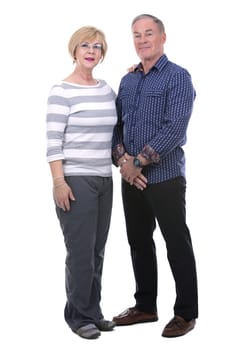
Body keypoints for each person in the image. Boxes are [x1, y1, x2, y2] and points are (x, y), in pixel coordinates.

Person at [112, 14, 198, 338]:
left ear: (163, 37)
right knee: (138, 242)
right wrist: (123, 161)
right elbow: (116, 125)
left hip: (164, 178)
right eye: (137, 35)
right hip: (130, 178)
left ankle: (186, 312)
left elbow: (175, 127)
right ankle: (145, 306)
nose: (143, 40)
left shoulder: (178, 77)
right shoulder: (128, 80)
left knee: (176, 243)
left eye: (149, 33)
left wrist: (138, 161)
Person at [46, 26, 117, 340]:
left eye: (98, 47)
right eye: (85, 45)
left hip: (105, 179)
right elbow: (53, 143)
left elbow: (118, 127)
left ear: (103, 53)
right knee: (80, 253)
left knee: (97, 251)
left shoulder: (106, 89)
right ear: (74, 50)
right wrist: (58, 182)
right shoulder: (62, 91)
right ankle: (77, 316)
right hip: (76, 180)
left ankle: (93, 310)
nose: (91, 51)